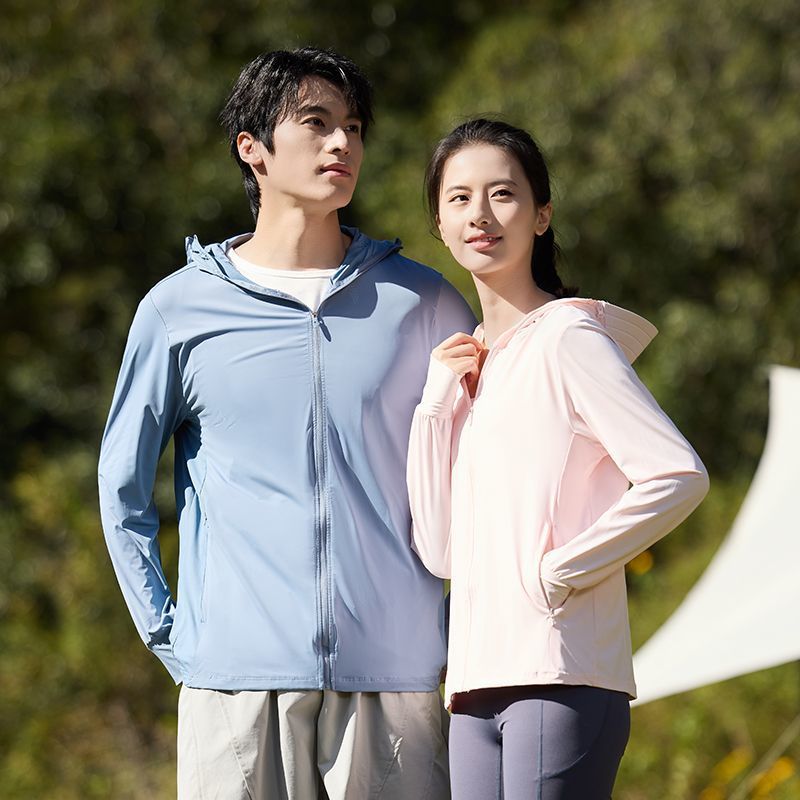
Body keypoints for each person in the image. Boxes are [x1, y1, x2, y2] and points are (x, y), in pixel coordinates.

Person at [98, 47, 475, 800]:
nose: (343, 144)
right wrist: (175, 636)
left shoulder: (425, 303)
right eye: (317, 123)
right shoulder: (178, 310)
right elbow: (121, 487)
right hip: (233, 689)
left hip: (397, 681)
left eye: (354, 127)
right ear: (253, 148)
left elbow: (485, 480)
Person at [407, 119, 710, 800]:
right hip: (475, 684)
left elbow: (677, 474)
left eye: (503, 194)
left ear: (541, 215)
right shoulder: (471, 367)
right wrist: (434, 409)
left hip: (562, 674)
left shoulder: (569, 336)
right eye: (459, 198)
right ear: (439, 224)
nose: (480, 215)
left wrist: (558, 572)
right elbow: (442, 552)